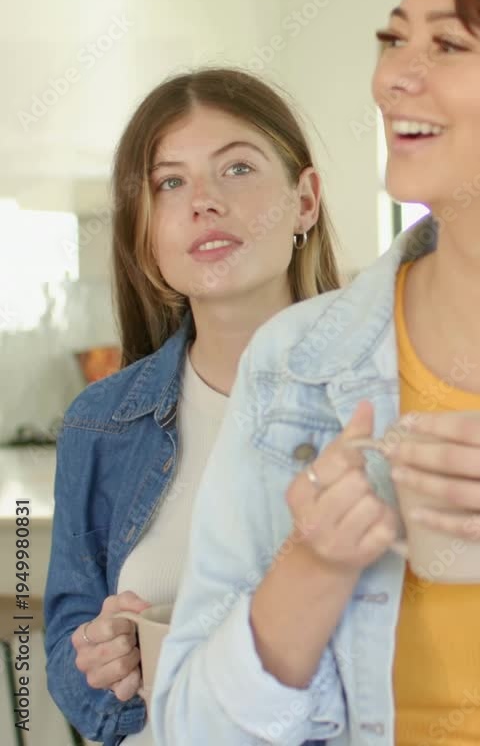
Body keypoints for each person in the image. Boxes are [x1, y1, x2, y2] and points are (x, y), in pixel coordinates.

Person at [151, 0, 480, 746]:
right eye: (393, 39)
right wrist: (313, 564)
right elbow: (192, 730)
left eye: (448, 44)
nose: (392, 78)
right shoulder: (294, 365)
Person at [43, 67, 341, 746]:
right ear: (146, 233)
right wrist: (102, 660)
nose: (204, 202)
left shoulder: (388, 394)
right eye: (169, 183)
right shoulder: (98, 423)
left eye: (237, 168)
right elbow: (67, 648)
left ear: (305, 201)